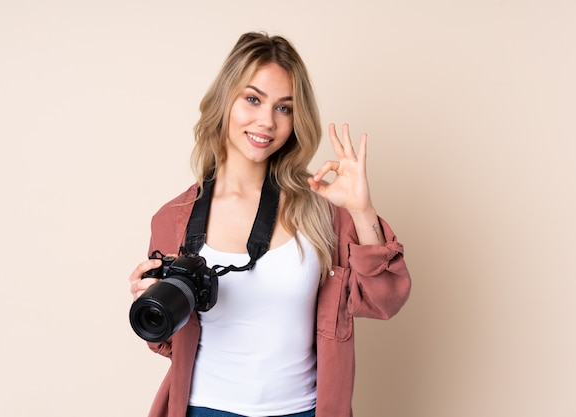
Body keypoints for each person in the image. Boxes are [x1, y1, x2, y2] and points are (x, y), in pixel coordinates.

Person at [128, 32, 411, 417]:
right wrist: (152, 303)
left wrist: (362, 211)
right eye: (253, 99)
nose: (266, 121)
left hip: (303, 409)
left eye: (284, 108)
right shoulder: (173, 219)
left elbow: (385, 300)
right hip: (204, 408)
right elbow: (169, 344)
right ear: (225, 100)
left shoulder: (322, 210)